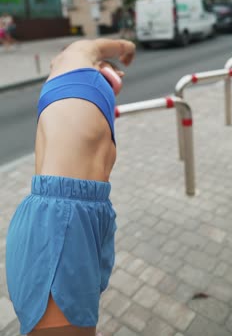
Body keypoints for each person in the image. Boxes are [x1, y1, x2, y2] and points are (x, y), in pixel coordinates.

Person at [5, 38, 136, 336]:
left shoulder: (86, 103)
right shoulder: (75, 64)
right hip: (57, 225)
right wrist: (126, 48)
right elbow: (85, 48)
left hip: (77, 218)